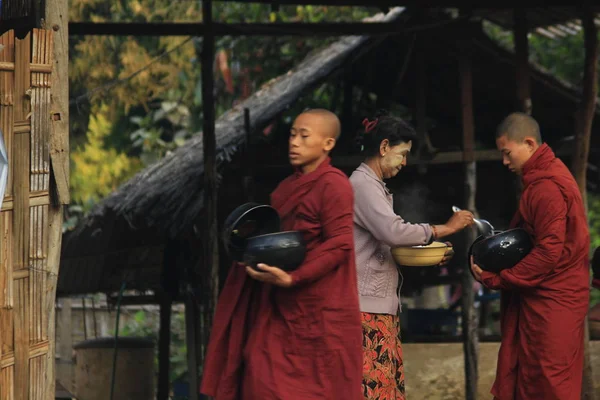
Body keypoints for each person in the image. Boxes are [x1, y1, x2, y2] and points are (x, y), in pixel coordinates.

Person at [200, 109, 363, 400]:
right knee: (259, 375)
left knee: (320, 388)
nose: (294, 143)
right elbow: (279, 238)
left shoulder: (334, 185)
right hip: (280, 304)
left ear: (327, 144)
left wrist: (294, 278)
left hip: (320, 307)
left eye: (304, 136)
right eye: (292, 134)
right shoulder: (286, 188)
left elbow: (340, 244)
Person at [349, 111, 475, 400]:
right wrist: (444, 229)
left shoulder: (374, 186)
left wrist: (430, 253)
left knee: (384, 388)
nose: (405, 162)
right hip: (365, 310)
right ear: (383, 148)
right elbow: (393, 232)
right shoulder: (362, 185)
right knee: (374, 390)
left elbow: (384, 243)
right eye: (402, 153)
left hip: (378, 308)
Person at [470, 112, 590, 400]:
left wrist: (498, 279)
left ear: (529, 143)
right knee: (533, 376)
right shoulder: (544, 178)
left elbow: (549, 252)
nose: (505, 161)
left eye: (507, 152)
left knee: (548, 381)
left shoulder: (547, 186)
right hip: (548, 296)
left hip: (554, 299)